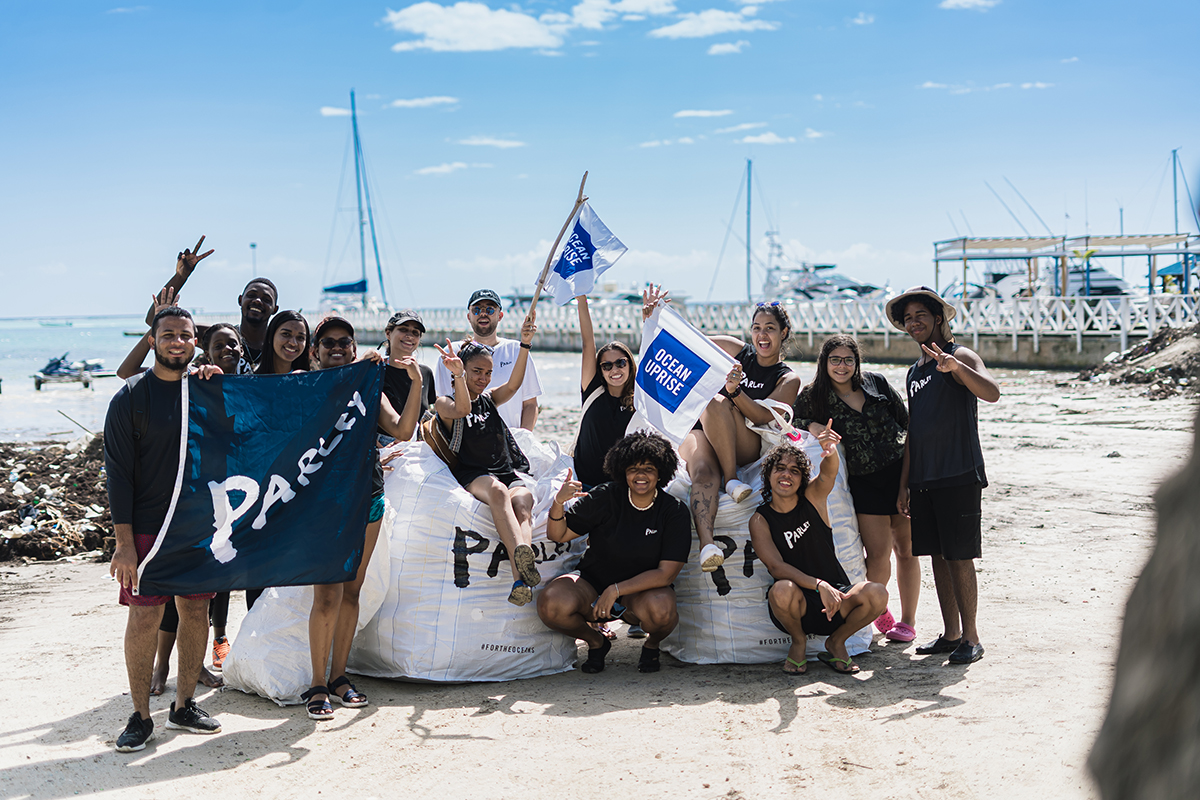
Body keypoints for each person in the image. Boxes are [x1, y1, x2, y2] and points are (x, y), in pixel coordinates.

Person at [106, 306, 224, 752]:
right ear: (153, 341)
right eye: (168, 334)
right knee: (144, 616)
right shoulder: (131, 398)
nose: (178, 341)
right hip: (145, 530)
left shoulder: (207, 392)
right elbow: (118, 474)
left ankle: (184, 704)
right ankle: (140, 716)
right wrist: (123, 545)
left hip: (196, 526)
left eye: (186, 335)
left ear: (196, 342)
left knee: (196, 613)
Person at [299, 316, 414, 720]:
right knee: (326, 594)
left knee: (352, 591)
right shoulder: (303, 386)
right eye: (327, 342)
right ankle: (316, 683)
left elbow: (401, 430)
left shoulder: (369, 384)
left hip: (368, 497)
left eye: (344, 342)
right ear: (314, 352)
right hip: (323, 504)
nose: (336, 347)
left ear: (353, 347)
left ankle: (338, 676)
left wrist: (415, 382)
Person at [887, 286, 1001, 666]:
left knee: (960, 556)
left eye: (921, 315)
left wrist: (957, 369)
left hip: (959, 472)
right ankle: (951, 634)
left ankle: (972, 637)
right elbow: (915, 433)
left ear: (939, 318)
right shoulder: (914, 372)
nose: (914, 322)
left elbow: (992, 393)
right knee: (936, 555)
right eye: (908, 318)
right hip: (923, 478)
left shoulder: (960, 355)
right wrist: (905, 484)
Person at [794, 334, 920, 643]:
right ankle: (876, 608)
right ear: (824, 363)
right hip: (863, 481)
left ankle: (908, 620)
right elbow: (794, 421)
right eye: (834, 360)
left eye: (848, 360)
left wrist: (910, 480)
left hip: (900, 474)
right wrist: (814, 427)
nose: (842, 366)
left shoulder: (875, 383)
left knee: (907, 551)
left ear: (857, 362)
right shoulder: (814, 395)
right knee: (877, 554)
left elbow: (907, 423)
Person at [539, 432, 690, 674]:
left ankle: (651, 645)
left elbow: (666, 575)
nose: (640, 475)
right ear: (622, 471)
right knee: (551, 603)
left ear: (661, 472)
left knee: (662, 611)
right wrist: (558, 502)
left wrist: (615, 590)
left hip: (642, 593)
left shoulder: (674, 511)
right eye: (633, 469)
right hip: (593, 585)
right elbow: (559, 534)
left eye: (649, 469)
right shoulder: (606, 495)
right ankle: (597, 642)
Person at [679, 300, 802, 572]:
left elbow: (760, 416)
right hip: (707, 432)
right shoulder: (739, 352)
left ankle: (732, 477)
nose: (762, 335)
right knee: (701, 470)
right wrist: (657, 316)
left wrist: (734, 391)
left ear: (783, 333)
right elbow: (689, 342)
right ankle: (707, 544)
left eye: (770, 328)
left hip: (746, 441)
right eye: (756, 328)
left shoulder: (788, 378)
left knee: (716, 401)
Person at [749, 440, 888, 675]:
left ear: (802, 478)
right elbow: (776, 567)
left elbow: (828, 474)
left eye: (794, 471)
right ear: (769, 474)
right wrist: (818, 585)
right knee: (780, 589)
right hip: (797, 603)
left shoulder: (812, 499)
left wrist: (830, 451)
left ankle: (836, 642)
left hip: (836, 599)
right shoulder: (760, 519)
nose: (786, 475)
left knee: (878, 593)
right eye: (780, 468)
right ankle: (799, 642)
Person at [433, 314, 542, 606]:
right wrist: (458, 376)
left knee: (523, 500)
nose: (483, 378)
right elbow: (461, 409)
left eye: (488, 373)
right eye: (477, 371)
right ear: (463, 369)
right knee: (497, 492)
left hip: (505, 469)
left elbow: (516, 384)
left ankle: (522, 576)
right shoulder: (444, 402)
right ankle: (523, 555)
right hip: (474, 473)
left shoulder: (490, 398)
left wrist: (525, 345)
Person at [433, 289, 542, 430]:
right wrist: (459, 374)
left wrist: (523, 440)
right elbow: (449, 406)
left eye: (490, 310)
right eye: (477, 310)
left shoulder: (517, 350)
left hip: (508, 440)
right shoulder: (451, 353)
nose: (483, 313)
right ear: (468, 316)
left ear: (500, 315)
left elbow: (523, 396)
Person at [380, 309, 436, 442]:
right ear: (388, 333)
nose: (410, 336)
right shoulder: (375, 371)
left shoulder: (425, 373)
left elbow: (430, 414)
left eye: (415, 333)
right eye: (403, 329)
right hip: (384, 446)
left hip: (418, 445)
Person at [255, 310, 310, 375]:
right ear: (270, 336)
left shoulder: (308, 381)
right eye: (286, 334)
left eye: (300, 337)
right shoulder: (250, 381)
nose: (293, 343)